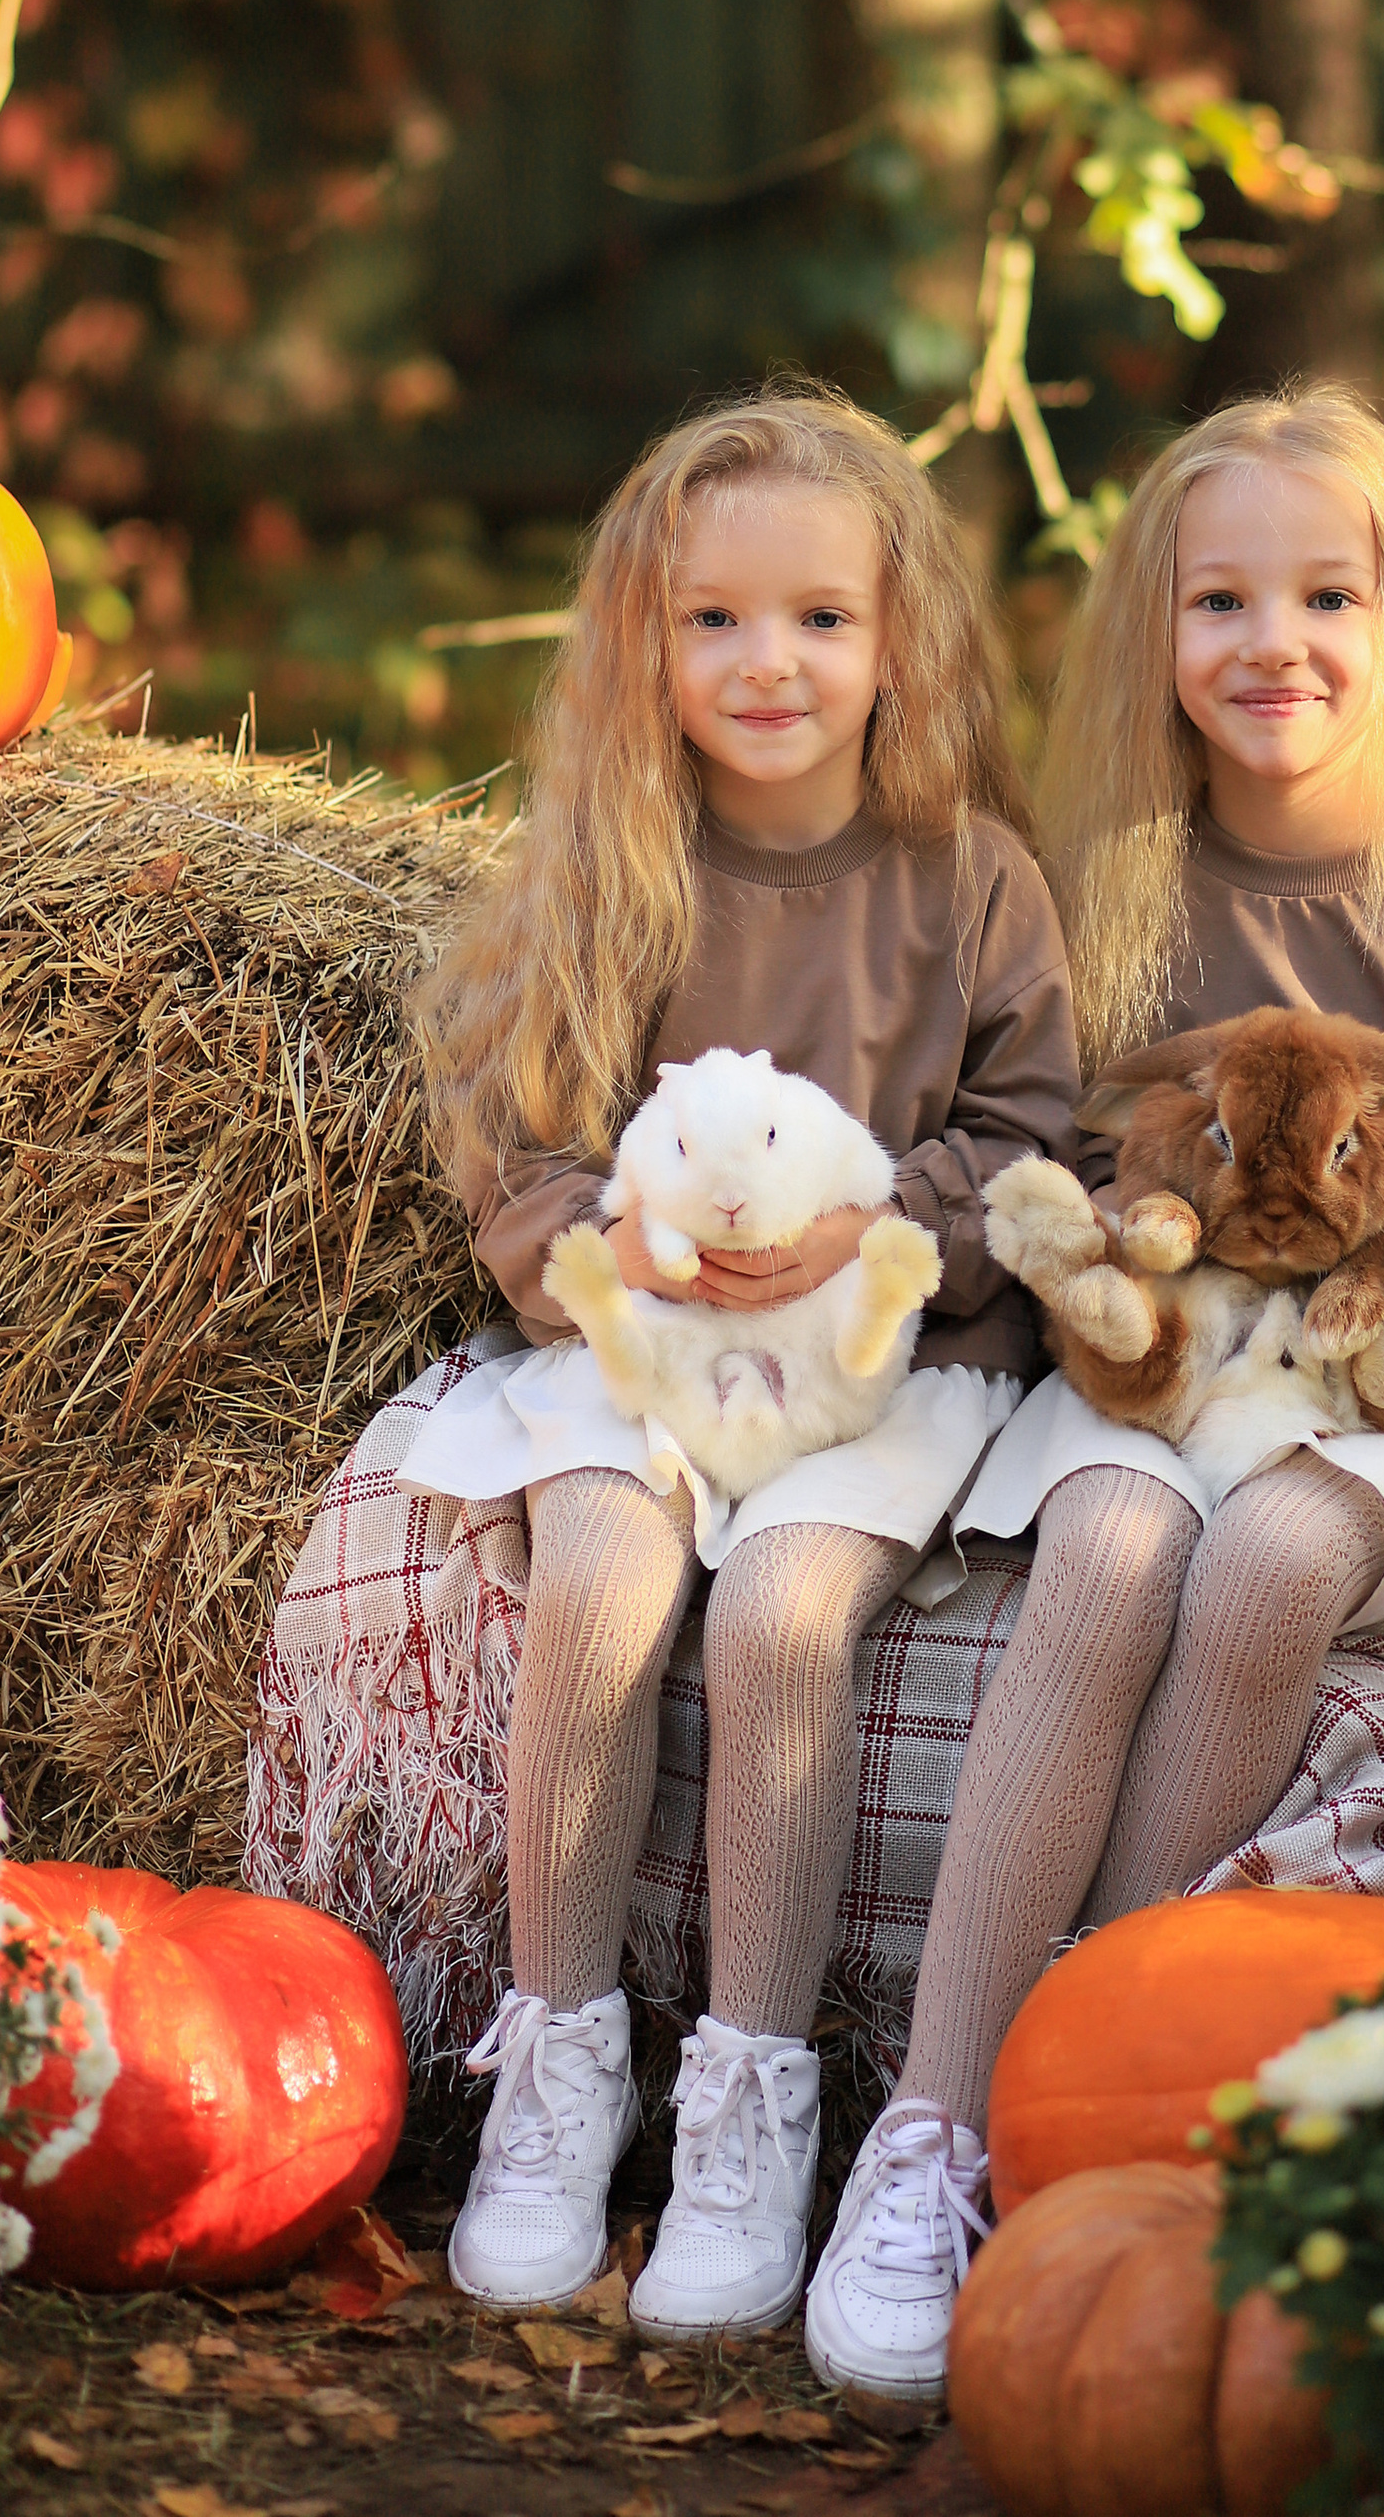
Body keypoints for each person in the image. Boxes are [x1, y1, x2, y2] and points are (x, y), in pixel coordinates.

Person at [800, 382, 1384, 2396]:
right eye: (1216, 599)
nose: (1266, 642)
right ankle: (935, 2120)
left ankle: (1071, 2104)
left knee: (1269, 1564)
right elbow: (1021, 1146)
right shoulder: (1107, 890)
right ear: (1155, 631)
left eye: (1322, 594)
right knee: (1107, 1555)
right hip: (1158, 1378)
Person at [400, 387, 1077, 2342]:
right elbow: (510, 1143)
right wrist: (588, 1246)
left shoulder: (968, 886)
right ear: (644, 640)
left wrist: (882, 1230)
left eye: (818, 620)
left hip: (878, 1364)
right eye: (712, 623)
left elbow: (1032, 1135)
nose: (766, 665)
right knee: (603, 1577)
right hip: (651, 1356)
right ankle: (559, 2056)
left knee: (783, 1618)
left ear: (900, 640)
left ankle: (755, 2096)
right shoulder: (616, 865)